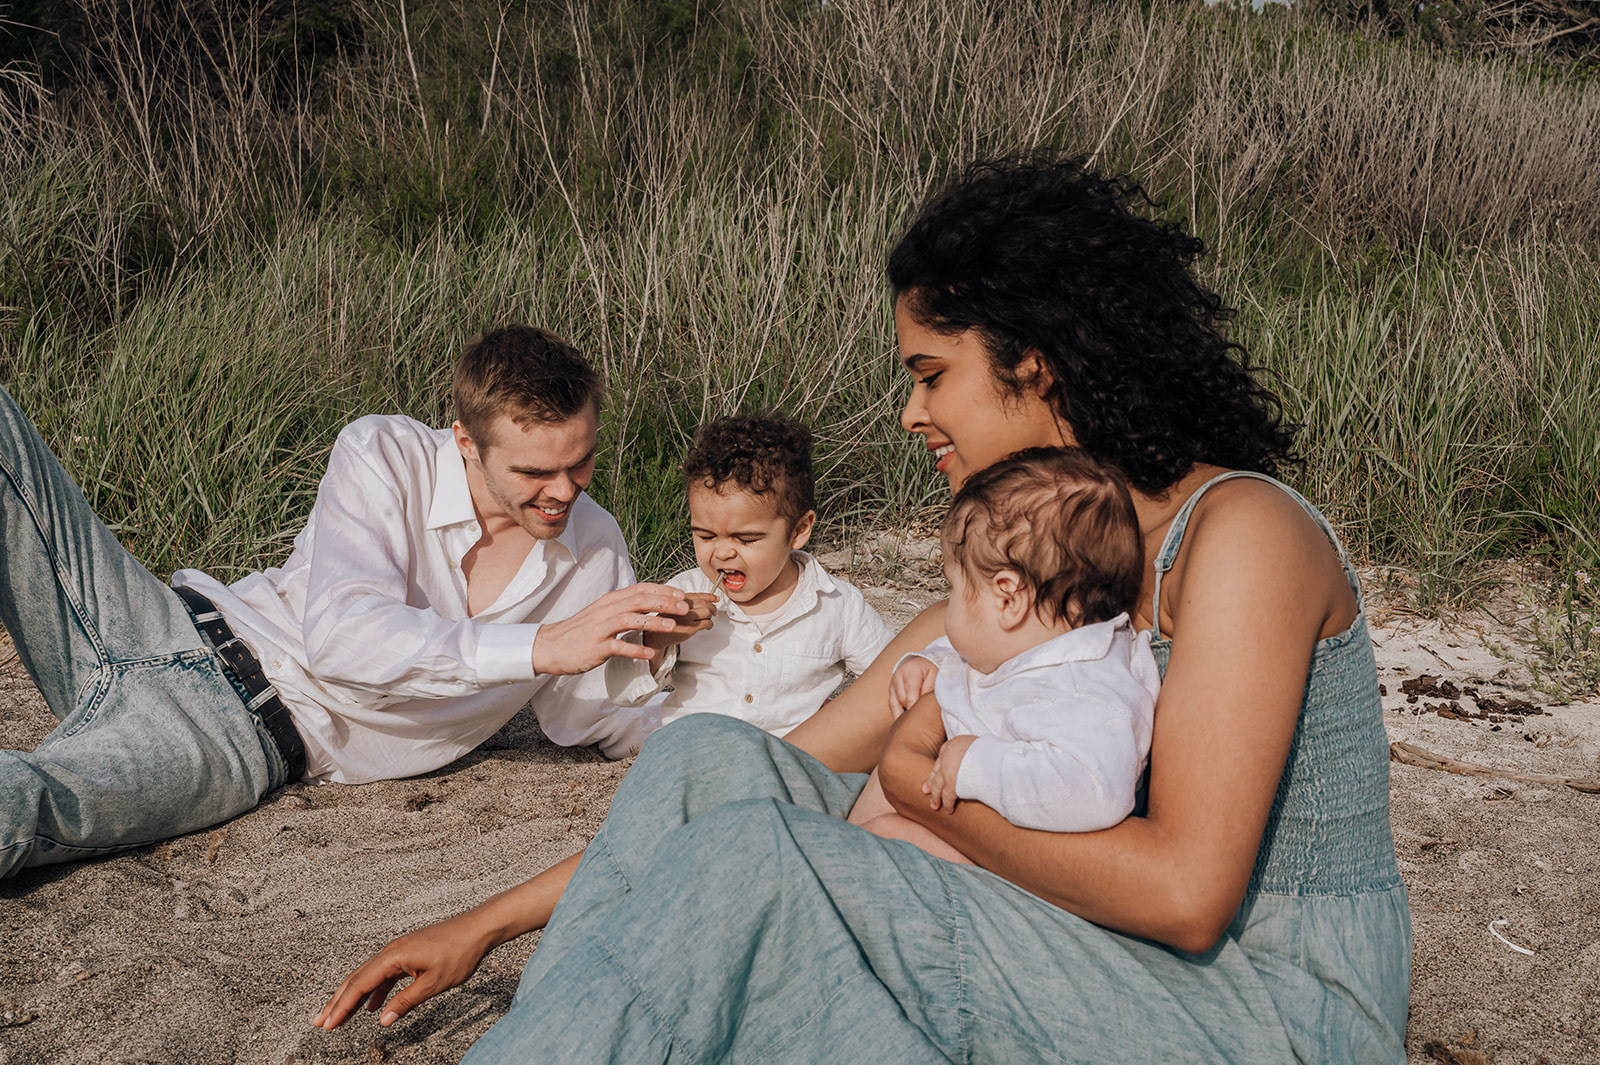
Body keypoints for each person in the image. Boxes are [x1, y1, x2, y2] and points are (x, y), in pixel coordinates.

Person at [318, 154, 1411, 1064]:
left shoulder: (1238, 536)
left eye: (931, 373)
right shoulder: (1008, 593)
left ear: (1032, 365)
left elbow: (1185, 896)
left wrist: (920, 787)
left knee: (770, 867)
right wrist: (485, 924)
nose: (909, 412)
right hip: (1101, 956)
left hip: (1265, 1007)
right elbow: (767, 773)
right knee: (705, 756)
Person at [0, 325, 711, 879]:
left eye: (580, 461)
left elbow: (590, 718)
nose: (563, 490)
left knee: (19, 807)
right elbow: (346, 636)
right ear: (466, 442)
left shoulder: (595, 547)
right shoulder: (385, 453)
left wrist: (665, 666)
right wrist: (539, 645)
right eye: (534, 470)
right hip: (168, 617)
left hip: (238, 732)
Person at [846, 446, 1159, 862]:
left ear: (1009, 599)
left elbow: (1096, 790)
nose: (950, 603)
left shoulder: (1084, 689)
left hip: (1003, 867)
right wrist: (931, 662)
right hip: (937, 820)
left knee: (886, 835)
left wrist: (977, 765)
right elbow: (984, 656)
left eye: (955, 588)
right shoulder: (1032, 646)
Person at [606, 412, 894, 737]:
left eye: (746, 539)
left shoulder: (837, 605)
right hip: (694, 754)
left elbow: (894, 677)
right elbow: (623, 695)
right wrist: (657, 640)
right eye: (705, 536)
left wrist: (842, 716)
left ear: (799, 530)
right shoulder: (681, 595)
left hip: (789, 758)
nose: (722, 552)